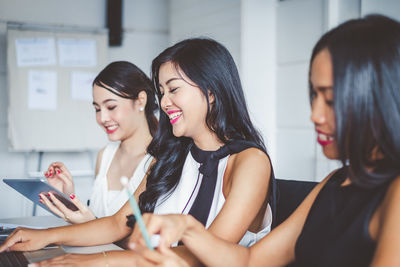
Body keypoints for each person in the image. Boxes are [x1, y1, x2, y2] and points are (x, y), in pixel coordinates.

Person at [129, 14, 400, 267]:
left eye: (329, 99)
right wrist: (187, 229)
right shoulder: (338, 181)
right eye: (314, 96)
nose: (315, 115)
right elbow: (250, 259)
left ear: (379, 97)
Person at [0, 38, 275, 266]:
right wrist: (46, 236)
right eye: (162, 92)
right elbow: (119, 223)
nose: (165, 103)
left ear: (211, 92)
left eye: (174, 89)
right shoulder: (173, 155)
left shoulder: (250, 162)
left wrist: (99, 261)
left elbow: (206, 255)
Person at [40, 61, 158, 224]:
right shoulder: (105, 156)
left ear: (140, 101)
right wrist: (68, 199)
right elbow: (96, 220)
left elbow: (147, 238)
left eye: (110, 107)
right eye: (97, 109)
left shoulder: (159, 160)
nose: (102, 118)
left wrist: (91, 223)